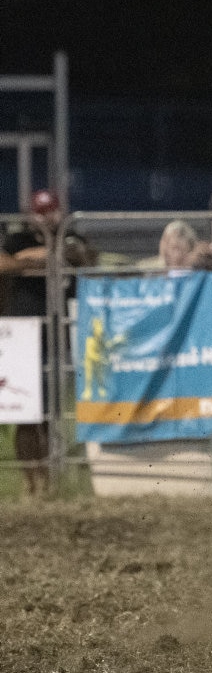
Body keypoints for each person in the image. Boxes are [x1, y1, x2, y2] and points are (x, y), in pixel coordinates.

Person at [0, 189, 96, 496]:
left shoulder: (72, 237)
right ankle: (31, 481)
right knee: (28, 414)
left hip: (62, 335)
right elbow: (6, 262)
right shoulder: (18, 238)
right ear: (31, 215)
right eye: (42, 212)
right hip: (26, 335)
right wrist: (44, 257)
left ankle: (50, 479)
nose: (48, 217)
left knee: (53, 413)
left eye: (52, 211)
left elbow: (88, 259)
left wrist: (52, 256)